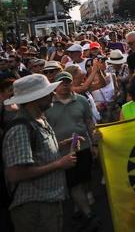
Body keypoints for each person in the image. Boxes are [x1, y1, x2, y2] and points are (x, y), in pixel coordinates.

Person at [2, 74, 78, 232]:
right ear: (33, 99)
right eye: (48, 92)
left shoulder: (39, 119)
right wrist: (59, 164)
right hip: (34, 208)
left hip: (48, 203)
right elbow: (15, 174)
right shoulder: (20, 128)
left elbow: (39, 153)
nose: (53, 94)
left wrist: (62, 145)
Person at [47, 72, 99, 229]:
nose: (65, 85)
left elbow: (89, 122)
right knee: (73, 182)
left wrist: (94, 144)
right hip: (62, 152)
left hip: (82, 147)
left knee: (84, 178)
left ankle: (79, 206)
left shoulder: (81, 100)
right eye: (61, 83)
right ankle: (88, 213)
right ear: (55, 86)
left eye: (68, 82)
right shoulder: (48, 104)